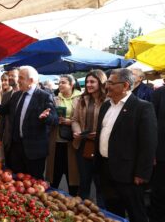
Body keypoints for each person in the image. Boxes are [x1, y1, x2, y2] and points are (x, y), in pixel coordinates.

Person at [96, 68, 157, 222]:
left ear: (125, 86)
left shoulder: (142, 107)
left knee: (136, 214)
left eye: (111, 82)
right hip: (106, 169)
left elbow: (148, 143)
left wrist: (142, 173)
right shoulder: (106, 106)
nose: (107, 86)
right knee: (113, 214)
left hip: (129, 175)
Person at [0, 66, 58, 179]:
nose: (18, 80)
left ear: (31, 80)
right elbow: (4, 110)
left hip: (33, 152)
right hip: (15, 149)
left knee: (33, 183)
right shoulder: (16, 95)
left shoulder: (44, 96)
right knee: (15, 181)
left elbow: (54, 119)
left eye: (21, 78)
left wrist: (46, 117)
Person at [72, 70, 107, 207]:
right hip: (82, 144)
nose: (88, 84)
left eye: (92, 81)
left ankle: (103, 213)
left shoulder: (108, 100)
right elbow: (75, 120)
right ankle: (82, 212)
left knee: (101, 183)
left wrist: (99, 134)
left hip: (100, 146)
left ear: (101, 82)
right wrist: (77, 131)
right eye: (87, 82)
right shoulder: (81, 99)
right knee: (84, 180)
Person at [46, 74, 81, 196]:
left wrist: (70, 122)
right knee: (55, 172)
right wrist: (54, 118)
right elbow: (49, 118)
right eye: (59, 83)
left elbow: (83, 119)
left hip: (72, 142)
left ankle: (74, 199)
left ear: (71, 85)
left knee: (72, 174)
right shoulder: (54, 99)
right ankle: (52, 197)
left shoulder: (80, 99)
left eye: (63, 82)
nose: (60, 85)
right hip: (56, 141)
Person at [0, 68, 19, 167]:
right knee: (9, 167)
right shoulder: (6, 95)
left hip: (21, 143)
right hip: (8, 139)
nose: (10, 78)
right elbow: (2, 118)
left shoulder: (24, 94)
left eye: (13, 75)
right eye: (9, 75)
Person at [149, 79, 165, 222]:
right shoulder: (159, 94)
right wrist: (151, 152)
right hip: (161, 154)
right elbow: (151, 126)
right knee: (159, 192)